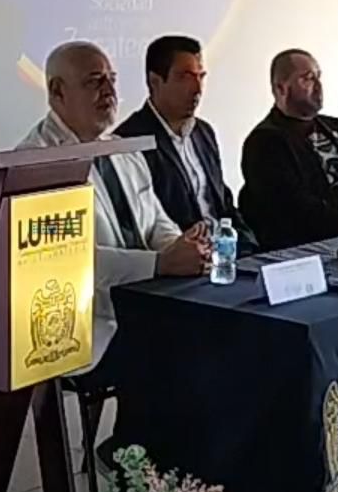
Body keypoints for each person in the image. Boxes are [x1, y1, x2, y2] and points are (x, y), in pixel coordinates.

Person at [18, 41, 210, 383]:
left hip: (145, 305)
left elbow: (156, 221)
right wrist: (160, 264)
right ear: (57, 91)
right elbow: (67, 265)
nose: (109, 91)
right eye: (94, 81)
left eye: (112, 80)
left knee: (222, 327)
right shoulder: (34, 164)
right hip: (86, 330)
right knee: (190, 351)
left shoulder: (122, 147)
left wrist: (181, 246)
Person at [239, 49, 338, 251]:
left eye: (318, 77)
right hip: (313, 246)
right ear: (281, 88)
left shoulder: (336, 127)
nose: (319, 86)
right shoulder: (265, 141)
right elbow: (290, 208)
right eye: (308, 79)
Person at [114, 35, 255, 252]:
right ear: (155, 81)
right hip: (180, 258)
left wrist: (249, 247)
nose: (197, 88)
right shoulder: (130, 143)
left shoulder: (204, 132)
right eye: (184, 77)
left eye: (200, 77)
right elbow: (147, 226)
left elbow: (223, 203)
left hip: (227, 255)